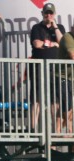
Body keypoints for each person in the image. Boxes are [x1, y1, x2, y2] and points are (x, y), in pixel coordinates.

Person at [30, 3, 65, 132]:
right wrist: (53, 44)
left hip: (55, 69)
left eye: (51, 13)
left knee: (55, 101)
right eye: (46, 13)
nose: (48, 15)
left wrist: (55, 27)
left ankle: (54, 131)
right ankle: (33, 130)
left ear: (54, 14)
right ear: (42, 14)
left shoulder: (59, 27)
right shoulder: (36, 27)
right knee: (36, 99)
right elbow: (37, 44)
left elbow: (62, 43)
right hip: (38, 68)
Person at [56, 22, 74, 135]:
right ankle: (67, 130)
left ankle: (61, 130)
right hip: (62, 77)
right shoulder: (68, 37)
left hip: (71, 78)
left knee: (67, 106)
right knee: (67, 105)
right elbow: (72, 55)